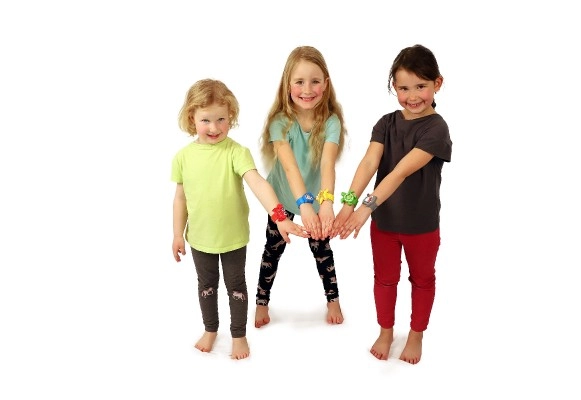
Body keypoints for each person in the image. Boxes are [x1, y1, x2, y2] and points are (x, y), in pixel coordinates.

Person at [171, 79, 308, 360]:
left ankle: (238, 335)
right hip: (199, 238)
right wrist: (176, 234)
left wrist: (280, 217)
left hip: (233, 238)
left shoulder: (235, 152)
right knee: (206, 286)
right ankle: (210, 329)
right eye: (206, 120)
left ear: (230, 116)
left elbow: (257, 183)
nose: (214, 127)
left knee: (236, 287)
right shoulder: (183, 157)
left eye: (221, 119)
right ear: (191, 118)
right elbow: (180, 199)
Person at [332, 44, 452, 364]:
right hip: (385, 224)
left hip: (422, 226)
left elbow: (400, 172)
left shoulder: (437, 128)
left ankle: (416, 334)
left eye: (421, 86)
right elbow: (370, 162)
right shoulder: (386, 123)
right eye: (403, 88)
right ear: (394, 87)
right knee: (384, 279)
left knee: (422, 280)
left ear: (437, 83)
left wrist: (364, 209)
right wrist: (347, 205)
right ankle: (386, 331)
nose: (412, 96)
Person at [254, 46, 347, 328]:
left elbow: (327, 164)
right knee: (273, 249)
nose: (307, 89)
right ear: (288, 85)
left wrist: (326, 203)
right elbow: (290, 167)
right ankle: (261, 301)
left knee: (322, 249)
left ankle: (333, 299)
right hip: (283, 197)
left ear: (325, 84)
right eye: (299, 82)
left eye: (315, 81)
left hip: (317, 198)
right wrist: (303, 205)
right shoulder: (280, 122)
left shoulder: (331, 121)